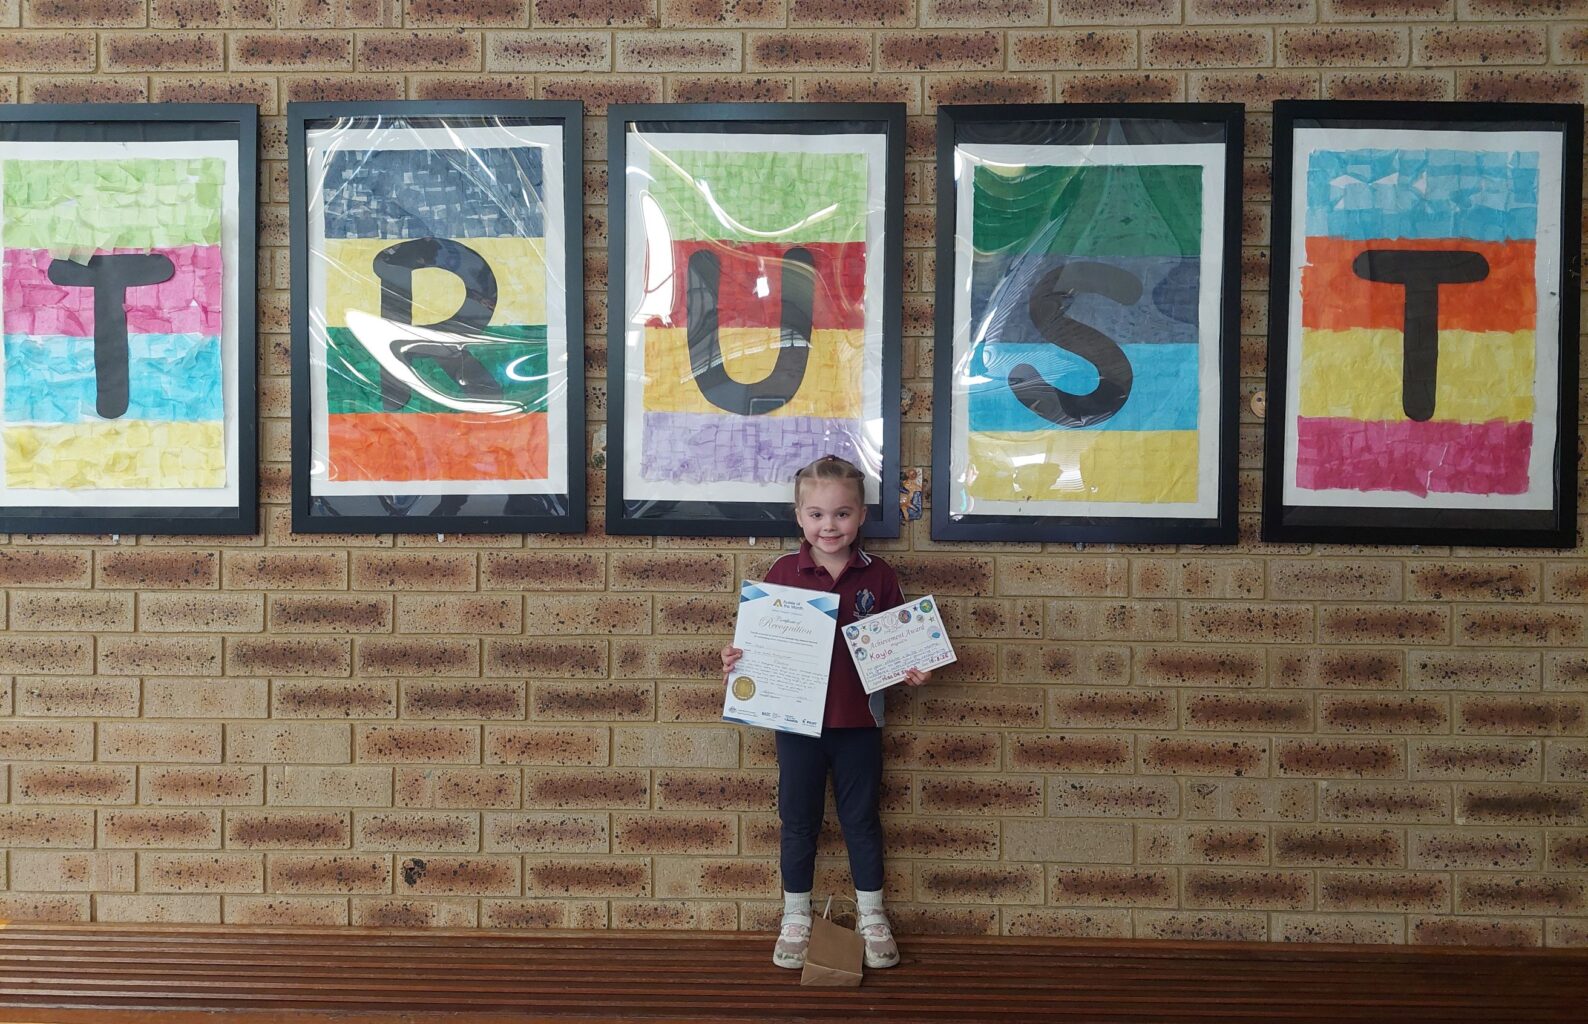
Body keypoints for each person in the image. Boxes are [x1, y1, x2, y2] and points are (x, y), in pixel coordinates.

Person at [720, 455, 931, 971]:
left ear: (860, 516)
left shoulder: (879, 576)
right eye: (816, 514)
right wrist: (736, 658)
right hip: (796, 724)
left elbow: (898, 644)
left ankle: (872, 915)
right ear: (798, 516)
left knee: (861, 820)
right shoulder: (782, 572)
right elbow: (759, 645)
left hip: (860, 724)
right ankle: (796, 915)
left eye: (841, 514)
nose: (828, 525)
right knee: (797, 822)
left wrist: (911, 666)